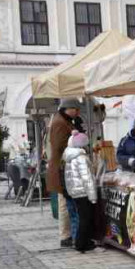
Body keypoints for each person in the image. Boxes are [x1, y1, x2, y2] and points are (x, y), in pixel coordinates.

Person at [49, 98, 82, 247]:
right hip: (61, 168)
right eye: (75, 109)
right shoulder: (59, 123)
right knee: (64, 203)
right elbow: (59, 147)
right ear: (68, 108)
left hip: (64, 166)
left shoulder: (64, 120)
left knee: (66, 202)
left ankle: (67, 234)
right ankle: (65, 236)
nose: (77, 112)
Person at [63, 131, 98, 253]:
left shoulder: (70, 157)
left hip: (75, 191)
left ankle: (83, 241)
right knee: (85, 218)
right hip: (83, 192)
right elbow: (87, 178)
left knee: (82, 216)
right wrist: (93, 196)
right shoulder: (81, 158)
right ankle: (81, 243)